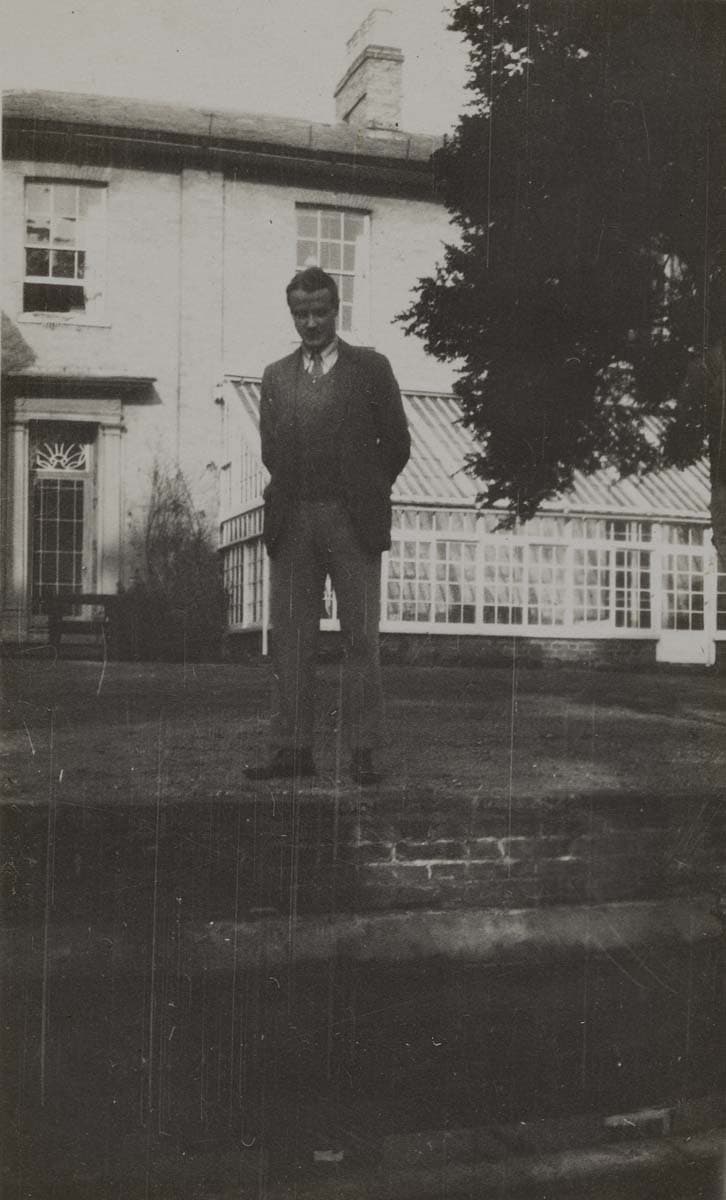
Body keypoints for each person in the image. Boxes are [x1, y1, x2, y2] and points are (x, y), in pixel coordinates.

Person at [245, 266, 410, 786]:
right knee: (292, 640)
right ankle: (291, 750)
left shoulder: (371, 369)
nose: (310, 323)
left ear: (336, 310)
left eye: (319, 312)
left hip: (352, 521)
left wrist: (365, 490)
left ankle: (364, 752)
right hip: (293, 520)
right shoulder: (276, 376)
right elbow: (271, 449)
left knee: (360, 639)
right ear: (292, 314)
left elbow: (397, 443)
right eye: (301, 313)